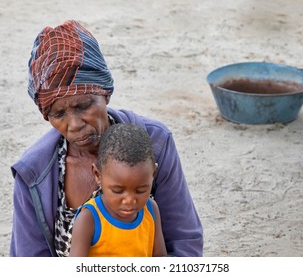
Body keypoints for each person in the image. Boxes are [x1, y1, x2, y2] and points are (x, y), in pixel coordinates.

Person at [10, 19, 203, 257]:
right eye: (58, 114)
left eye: (83, 106)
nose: (74, 124)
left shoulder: (154, 143)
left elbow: (184, 240)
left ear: (105, 94)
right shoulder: (33, 173)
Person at [70, 123, 167, 257]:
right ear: (98, 175)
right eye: (117, 191)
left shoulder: (151, 210)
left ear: (153, 174)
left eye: (141, 190)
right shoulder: (89, 219)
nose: (129, 200)